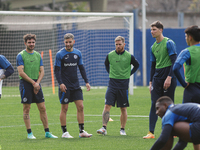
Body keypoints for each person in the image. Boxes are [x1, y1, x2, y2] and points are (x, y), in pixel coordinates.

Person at [16, 34, 58, 139]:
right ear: (25, 43)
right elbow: (21, 72)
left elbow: (42, 71)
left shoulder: (38, 55)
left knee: (42, 108)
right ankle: (29, 133)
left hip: (37, 83)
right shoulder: (20, 55)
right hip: (26, 83)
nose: (31, 44)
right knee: (27, 108)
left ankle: (47, 132)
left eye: (33, 42)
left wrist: (37, 83)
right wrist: (33, 83)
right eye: (29, 42)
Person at [96, 36, 139, 136]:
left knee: (123, 108)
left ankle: (122, 129)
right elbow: (106, 64)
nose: (118, 46)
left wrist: (129, 73)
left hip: (123, 85)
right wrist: (110, 72)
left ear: (124, 44)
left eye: (120, 44)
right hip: (112, 84)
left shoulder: (129, 56)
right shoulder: (110, 55)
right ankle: (104, 128)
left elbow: (137, 65)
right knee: (107, 106)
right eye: (116, 44)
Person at [143, 21, 177, 139]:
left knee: (169, 105)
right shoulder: (153, 47)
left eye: (154, 29)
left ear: (161, 30)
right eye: (151, 30)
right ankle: (151, 132)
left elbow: (174, 62)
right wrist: (150, 82)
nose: (152, 32)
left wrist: (169, 77)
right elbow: (153, 65)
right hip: (157, 78)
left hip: (168, 76)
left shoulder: (169, 43)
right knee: (154, 104)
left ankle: (172, 132)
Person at [54, 33, 92, 138]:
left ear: (73, 42)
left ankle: (81, 131)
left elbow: (81, 68)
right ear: (64, 42)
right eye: (66, 42)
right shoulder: (59, 54)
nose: (68, 44)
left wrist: (86, 81)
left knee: (81, 107)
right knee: (64, 109)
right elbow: (56, 71)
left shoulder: (78, 53)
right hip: (65, 86)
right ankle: (64, 132)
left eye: (70, 42)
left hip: (76, 86)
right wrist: (61, 83)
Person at [173, 25, 200, 103]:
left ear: (190, 37)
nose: (185, 39)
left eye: (186, 36)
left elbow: (175, 68)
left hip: (192, 89)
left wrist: (183, 84)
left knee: (187, 114)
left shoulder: (187, 51)